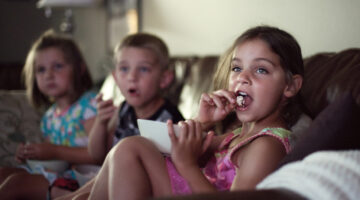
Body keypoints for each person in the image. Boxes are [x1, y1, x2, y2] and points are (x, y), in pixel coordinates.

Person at [87, 25, 304, 200]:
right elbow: (171, 144)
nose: (242, 78)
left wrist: (187, 165)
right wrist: (203, 121)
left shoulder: (267, 145)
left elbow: (183, 158)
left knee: (130, 148)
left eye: (261, 70)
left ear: (290, 86)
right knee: (130, 147)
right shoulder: (238, 136)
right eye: (237, 68)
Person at [56, 32, 185, 200]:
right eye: (124, 69)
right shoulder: (123, 109)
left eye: (144, 69)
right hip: (114, 177)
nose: (132, 77)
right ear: (115, 77)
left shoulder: (169, 118)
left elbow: (174, 171)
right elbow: (97, 155)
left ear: (164, 78)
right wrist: (101, 124)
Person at [0, 30, 98, 199]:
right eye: (41, 69)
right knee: (3, 173)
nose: (48, 75)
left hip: (81, 178)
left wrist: (53, 151)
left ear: (79, 69)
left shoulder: (90, 105)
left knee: (13, 185)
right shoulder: (49, 117)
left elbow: (97, 155)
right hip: (54, 174)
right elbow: (51, 160)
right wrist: (31, 155)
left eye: (58, 66)